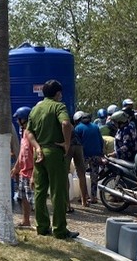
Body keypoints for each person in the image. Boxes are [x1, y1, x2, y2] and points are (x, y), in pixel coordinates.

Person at [26, 79, 78, 239]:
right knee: (58, 191)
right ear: (57, 93)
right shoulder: (58, 106)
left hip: (39, 152)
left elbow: (28, 132)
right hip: (54, 152)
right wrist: (67, 143)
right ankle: (60, 229)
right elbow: (65, 123)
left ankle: (42, 227)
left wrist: (37, 147)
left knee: (40, 191)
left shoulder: (35, 109)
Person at [10, 106, 34, 228]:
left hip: (31, 171)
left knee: (33, 200)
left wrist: (34, 174)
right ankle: (26, 220)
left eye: (18, 119)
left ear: (23, 119)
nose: (17, 121)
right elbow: (22, 153)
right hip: (23, 171)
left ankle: (42, 224)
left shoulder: (32, 134)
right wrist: (16, 168)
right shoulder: (23, 133)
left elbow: (35, 154)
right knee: (23, 197)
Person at [74, 111, 104, 204]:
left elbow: (76, 143)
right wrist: (101, 153)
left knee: (81, 176)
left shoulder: (78, 128)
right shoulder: (96, 126)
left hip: (84, 156)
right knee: (94, 177)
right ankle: (93, 197)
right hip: (96, 155)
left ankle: (85, 196)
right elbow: (101, 141)